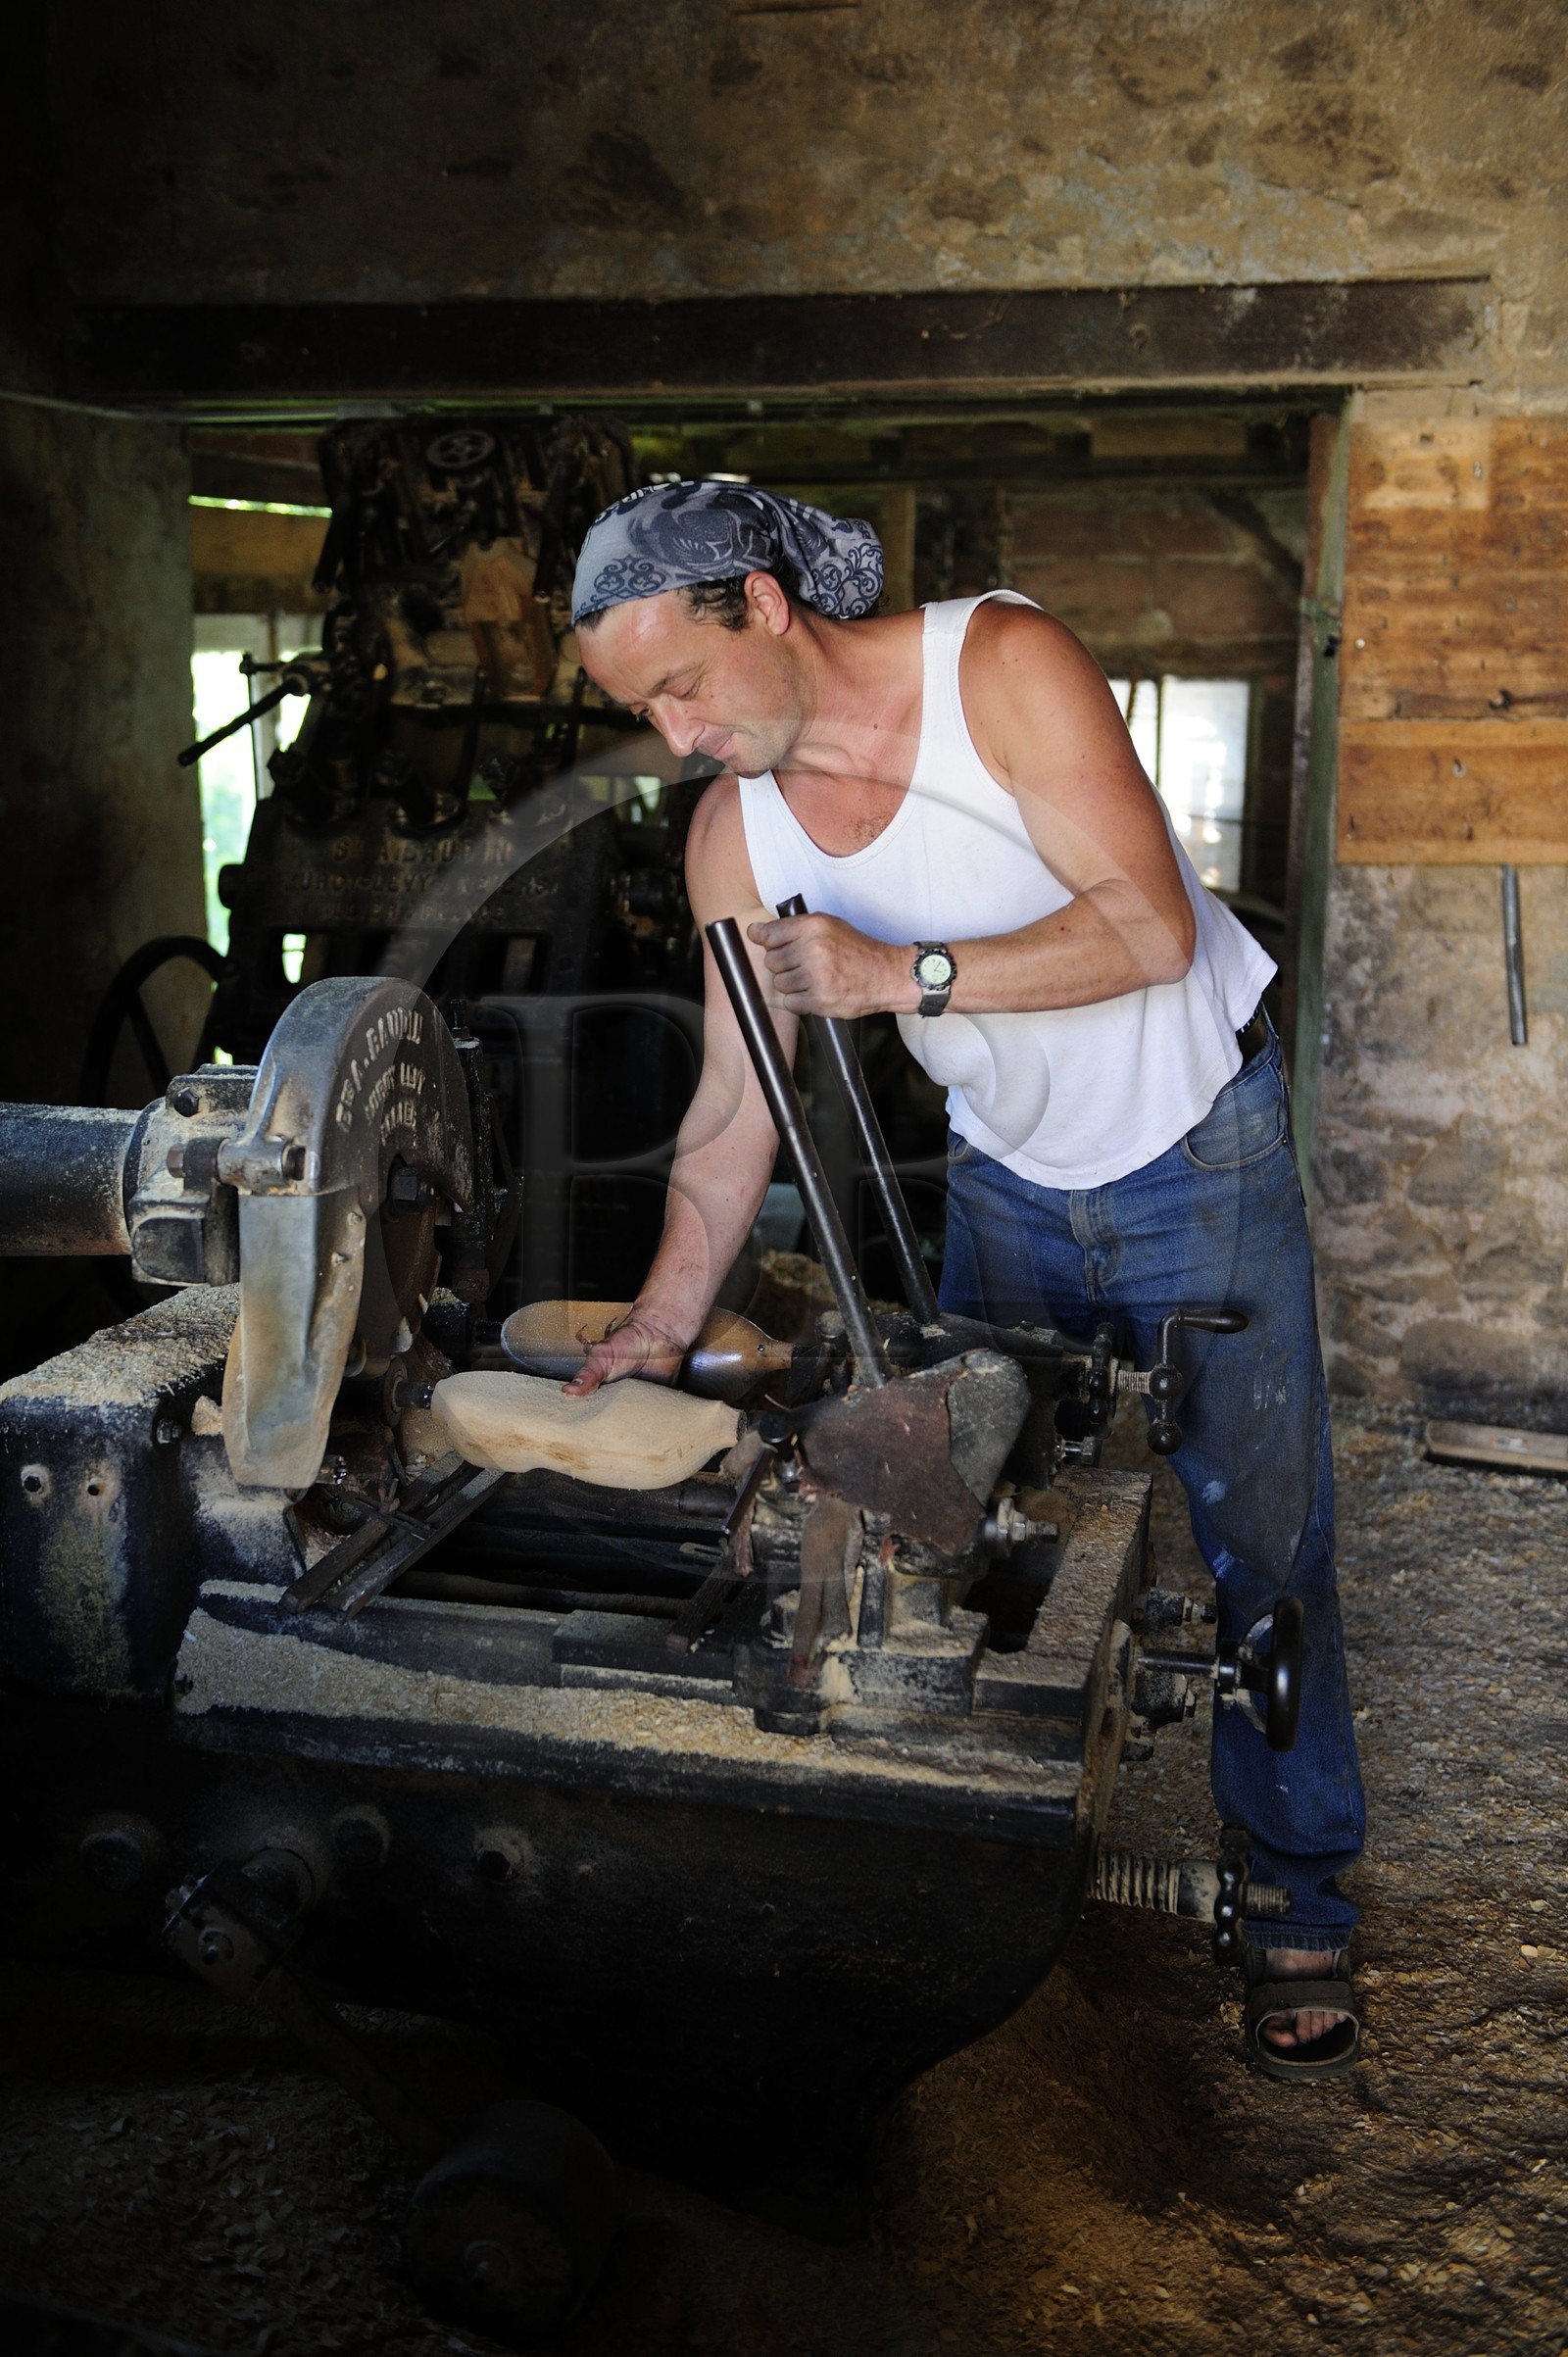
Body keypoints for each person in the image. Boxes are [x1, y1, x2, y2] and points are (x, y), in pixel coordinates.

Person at [563, 478, 1365, 2081]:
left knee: (1262, 1534)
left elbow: (1149, 929)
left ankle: (1298, 1885)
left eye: (681, 685)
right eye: (643, 708)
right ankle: (1010, 1857)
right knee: (988, 1521)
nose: (673, 736)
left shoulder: (998, 668)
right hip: (1008, 1172)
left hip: (1192, 1143)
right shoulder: (740, 832)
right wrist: (659, 1315)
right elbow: (737, 1111)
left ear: (765, 604)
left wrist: (894, 974)